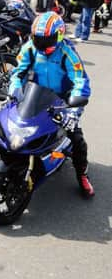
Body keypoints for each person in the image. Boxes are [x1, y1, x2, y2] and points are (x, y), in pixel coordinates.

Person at [8, 11, 93, 197]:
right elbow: (18, 73)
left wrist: (74, 111)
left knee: (77, 140)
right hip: (34, 97)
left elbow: (81, 82)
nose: (41, 44)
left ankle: (82, 174)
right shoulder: (29, 48)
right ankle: (5, 159)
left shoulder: (67, 53)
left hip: (61, 101)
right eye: (37, 38)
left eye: (46, 40)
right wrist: (14, 90)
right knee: (10, 127)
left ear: (59, 35)